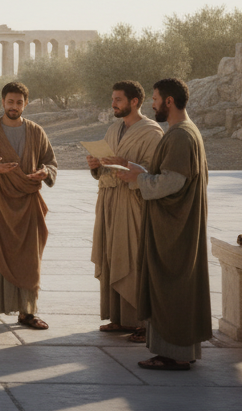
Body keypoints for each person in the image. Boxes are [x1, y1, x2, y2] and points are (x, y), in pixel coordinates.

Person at [116, 77, 211, 371]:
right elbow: (171, 174)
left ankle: (175, 354)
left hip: (174, 229)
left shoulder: (181, 135)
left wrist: (139, 179)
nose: (153, 104)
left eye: (156, 99)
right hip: (173, 224)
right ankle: (173, 351)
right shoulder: (181, 132)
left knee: (172, 288)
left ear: (169, 101)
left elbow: (174, 181)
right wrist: (143, 172)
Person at [0, 82, 57, 332]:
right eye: (10, 102)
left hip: (28, 203)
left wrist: (44, 172)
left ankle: (27, 312)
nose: (14, 106)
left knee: (29, 258)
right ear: (2, 102)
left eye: (19, 102)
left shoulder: (37, 132)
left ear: (26, 104)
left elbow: (50, 162)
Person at [88, 80, 164, 341]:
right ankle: (120, 318)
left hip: (133, 205)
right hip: (109, 202)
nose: (113, 104)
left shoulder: (152, 133)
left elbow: (155, 172)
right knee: (112, 256)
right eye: (113, 99)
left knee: (133, 260)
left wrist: (126, 164)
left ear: (134, 102)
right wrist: (95, 164)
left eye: (118, 99)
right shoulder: (114, 128)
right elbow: (103, 169)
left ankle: (143, 322)